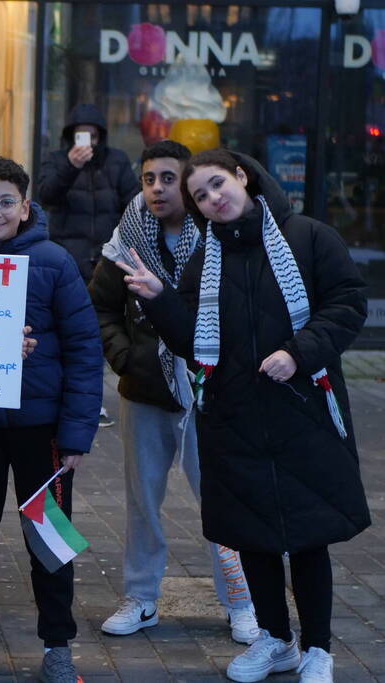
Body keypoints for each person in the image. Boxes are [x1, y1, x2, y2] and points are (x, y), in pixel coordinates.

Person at [118, 148, 370, 683]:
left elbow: (348, 303)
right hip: (233, 417)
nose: (213, 199)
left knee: (308, 536)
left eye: (217, 185)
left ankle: (318, 649)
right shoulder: (205, 259)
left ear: (241, 176)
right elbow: (193, 341)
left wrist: (299, 353)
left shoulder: (308, 236)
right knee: (252, 535)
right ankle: (276, 640)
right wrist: (159, 299)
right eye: (200, 196)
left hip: (302, 410)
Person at [88, 140, 259, 644]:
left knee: (222, 500)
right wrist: (125, 357)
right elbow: (101, 306)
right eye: (148, 179)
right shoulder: (127, 238)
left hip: (211, 391)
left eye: (168, 178)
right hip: (144, 389)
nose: (157, 189)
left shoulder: (217, 234)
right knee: (142, 501)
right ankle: (141, 598)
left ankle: (242, 601)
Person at [0, 157, 102, 683]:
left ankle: (58, 645)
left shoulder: (55, 263)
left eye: (6, 202)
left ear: (25, 206)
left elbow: (85, 350)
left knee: (49, 542)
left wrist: (76, 435)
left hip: (43, 433)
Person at [37, 104, 138, 428]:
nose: (88, 141)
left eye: (93, 135)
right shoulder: (57, 160)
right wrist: (70, 166)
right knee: (73, 332)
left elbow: (133, 202)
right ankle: (74, 400)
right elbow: (46, 196)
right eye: (81, 134)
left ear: (101, 136)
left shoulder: (116, 161)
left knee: (102, 331)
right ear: (70, 136)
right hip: (69, 257)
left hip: (109, 258)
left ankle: (95, 401)